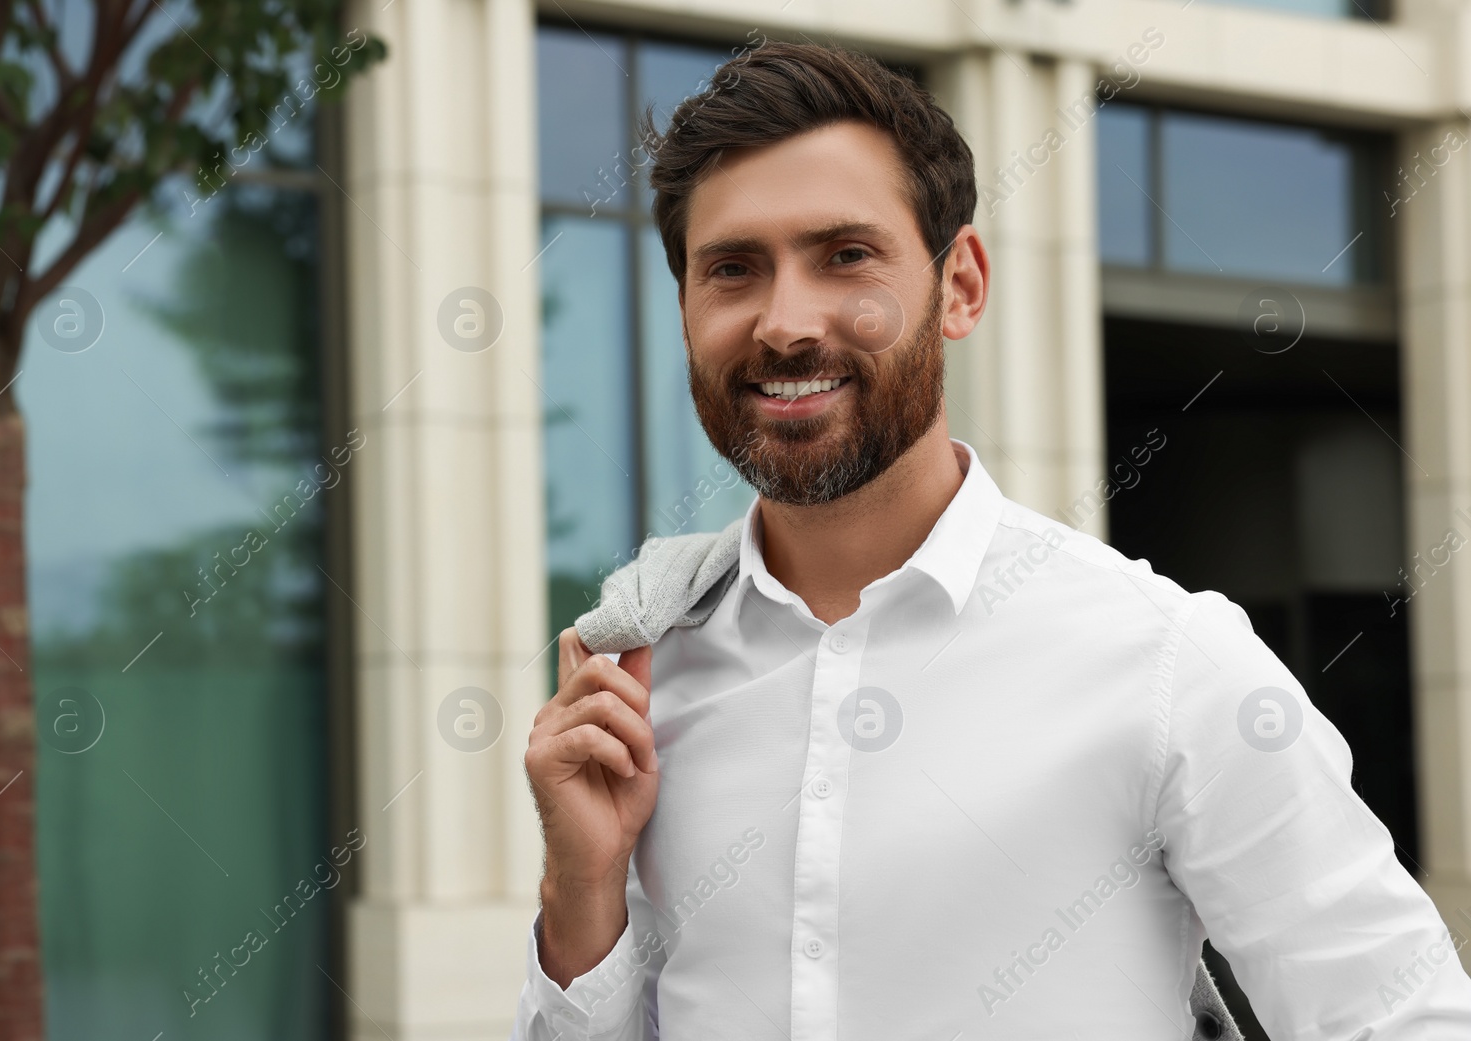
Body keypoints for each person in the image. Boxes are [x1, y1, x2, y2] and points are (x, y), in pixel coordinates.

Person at [513, 40, 1471, 1039]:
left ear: (959, 285)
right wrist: (579, 901)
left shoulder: (1167, 663)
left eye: (845, 256)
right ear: (684, 311)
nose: (785, 324)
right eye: (732, 270)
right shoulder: (639, 680)